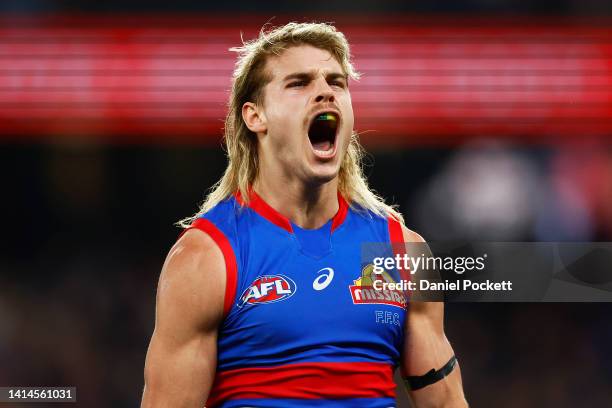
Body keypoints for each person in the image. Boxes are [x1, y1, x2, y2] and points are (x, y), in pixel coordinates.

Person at [141, 22, 467, 408]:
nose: (325, 92)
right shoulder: (206, 259)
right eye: (299, 83)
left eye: (337, 82)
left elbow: (446, 402)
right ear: (255, 116)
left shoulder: (403, 251)